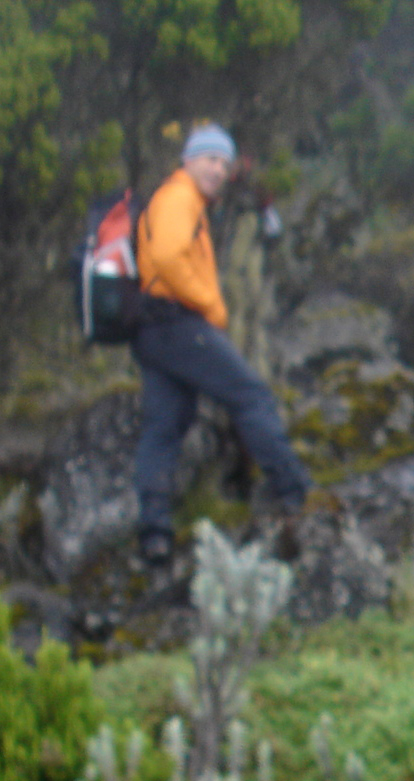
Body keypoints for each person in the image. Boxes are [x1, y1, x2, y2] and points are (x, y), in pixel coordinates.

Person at [132, 122, 312, 565]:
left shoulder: (179, 199)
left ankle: (154, 531)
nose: (217, 169)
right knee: (249, 395)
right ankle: (293, 491)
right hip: (176, 322)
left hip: (151, 330)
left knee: (166, 423)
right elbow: (169, 257)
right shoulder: (179, 198)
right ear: (188, 160)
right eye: (209, 159)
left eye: (224, 162)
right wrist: (210, 304)